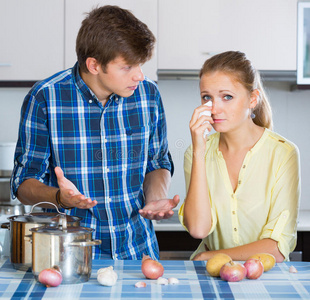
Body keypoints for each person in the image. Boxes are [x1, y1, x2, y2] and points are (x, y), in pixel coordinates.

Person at [11, 5, 179, 260]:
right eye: (127, 67)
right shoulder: (46, 98)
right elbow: (24, 183)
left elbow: (157, 161)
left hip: (138, 252)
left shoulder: (148, 95)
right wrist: (60, 197)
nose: (139, 75)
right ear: (94, 65)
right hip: (68, 256)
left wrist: (155, 199)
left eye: (141, 65)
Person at [179, 51, 300, 262]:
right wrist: (199, 151)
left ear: (252, 99)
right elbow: (198, 229)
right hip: (214, 275)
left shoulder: (283, 153)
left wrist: (210, 256)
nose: (214, 108)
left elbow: (276, 248)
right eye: (207, 97)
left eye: (227, 97)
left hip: (265, 279)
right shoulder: (196, 153)